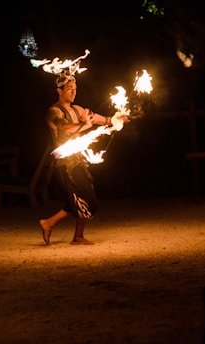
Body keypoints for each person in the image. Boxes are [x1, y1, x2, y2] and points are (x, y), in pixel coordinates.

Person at [39, 72, 123, 245]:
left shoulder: (79, 110)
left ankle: (70, 233)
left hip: (79, 161)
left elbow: (103, 120)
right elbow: (65, 127)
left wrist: (117, 119)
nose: (73, 92)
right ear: (59, 90)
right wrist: (85, 124)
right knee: (86, 200)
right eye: (69, 88)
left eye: (75, 89)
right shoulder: (53, 112)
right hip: (64, 163)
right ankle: (55, 226)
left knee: (77, 201)